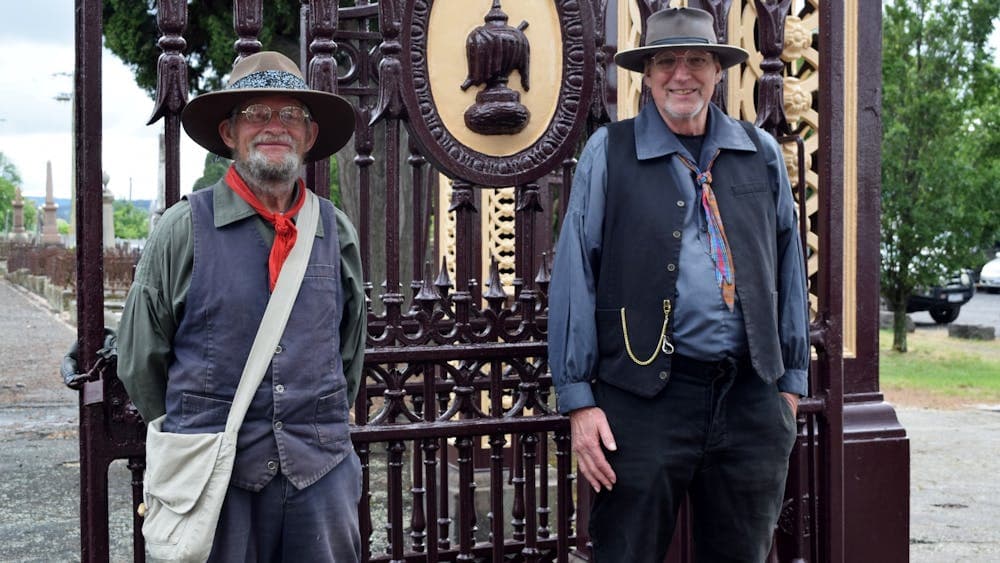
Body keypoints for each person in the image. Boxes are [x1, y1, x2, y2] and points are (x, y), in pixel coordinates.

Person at [548, 7, 809, 563]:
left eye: (696, 60)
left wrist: (788, 385)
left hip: (750, 399)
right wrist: (578, 401)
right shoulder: (609, 152)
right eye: (666, 61)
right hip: (643, 402)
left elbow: (788, 266)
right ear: (647, 74)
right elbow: (576, 274)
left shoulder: (758, 151)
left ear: (719, 71)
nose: (681, 74)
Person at [117, 51, 366, 562]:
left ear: (310, 136)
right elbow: (141, 360)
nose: (274, 126)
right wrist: (197, 432)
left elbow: (349, 353)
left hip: (321, 476)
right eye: (256, 112)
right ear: (229, 133)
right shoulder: (183, 229)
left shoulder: (335, 231)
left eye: (290, 115)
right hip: (212, 481)